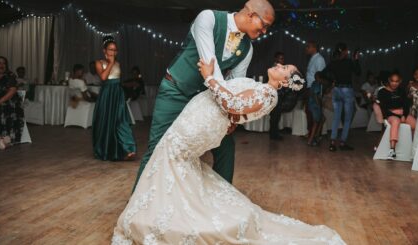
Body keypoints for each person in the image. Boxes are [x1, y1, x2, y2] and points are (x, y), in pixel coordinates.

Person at [112, 58, 345, 244]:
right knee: (175, 163)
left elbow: (232, 104)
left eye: (284, 67)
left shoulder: (268, 95)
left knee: (173, 157)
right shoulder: (263, 89)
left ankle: (165, 219)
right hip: (202, 120)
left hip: (199, 125)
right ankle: (161, 214)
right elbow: (235, 111)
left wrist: (209, 77)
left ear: (285, 81)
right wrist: (232, 117)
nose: (278, 65)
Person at [132, 0, 275, 191]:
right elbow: (210, 65)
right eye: (264, 25)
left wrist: (233, 118)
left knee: (226, 147)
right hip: (176, 91)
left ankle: (223, 202)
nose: (264, 31)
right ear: (250, 14)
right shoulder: (208, 18)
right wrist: (228, 106)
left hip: (207, 100)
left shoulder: (247, 49)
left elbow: (236, 84)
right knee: (158, 146)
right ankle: (137, 202)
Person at [92, 36, 136, 161]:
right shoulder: (99, 63)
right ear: (104, 51)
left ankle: (128, 149)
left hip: (117, 94)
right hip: (107, 94)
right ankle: (106, 149)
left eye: (115, 50)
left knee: (121, 121)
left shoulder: (118, 64)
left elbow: (117, 80)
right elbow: (104, 78)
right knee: (106, 122)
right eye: (110, 50)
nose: (113, 53)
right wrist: (110, 63)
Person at [324, 42, 361, 151]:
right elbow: (358, 72)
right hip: (346, 90)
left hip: (336, 90)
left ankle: (332, 143)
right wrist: (356, 59)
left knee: (336, 117)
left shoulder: (333, 63)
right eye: (347, 51)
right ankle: (342, 143)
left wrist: (332, 82)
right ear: (345, 51)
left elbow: (322, 73)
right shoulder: (349, 62)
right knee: (347, 119)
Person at [378, 72, 416, 160]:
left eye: (396, 81)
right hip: (390, 115)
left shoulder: (401, 90)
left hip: (402, 113)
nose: (394, 83)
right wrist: (395, 113)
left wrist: (404, 115)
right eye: (392, 81)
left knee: (415, 123)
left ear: (400, 81)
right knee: (396, 121)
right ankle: (392, 150)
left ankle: (414, 148)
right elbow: (383, 108)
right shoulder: (382, 92)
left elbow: (406, 104)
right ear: (389, 80)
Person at [305, 40, 326, 146]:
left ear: (314, 48)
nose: (306, 48)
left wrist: (319, 93)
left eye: (308, 46)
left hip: (315, 90)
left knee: (315, 115)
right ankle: (313, 136)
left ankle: (315, 137)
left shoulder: (319, 59)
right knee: (310, 113)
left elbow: (321, 77)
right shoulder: (313, 58)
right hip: (310, 88)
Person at [269, 51, 285, 140]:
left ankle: (274, 134)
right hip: (275, 94)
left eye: (283, 58)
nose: (282, 60)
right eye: (280, 58)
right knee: (275, 115)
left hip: (278, 94)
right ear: (276, 59)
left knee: (276, 115)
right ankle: (273, 135)